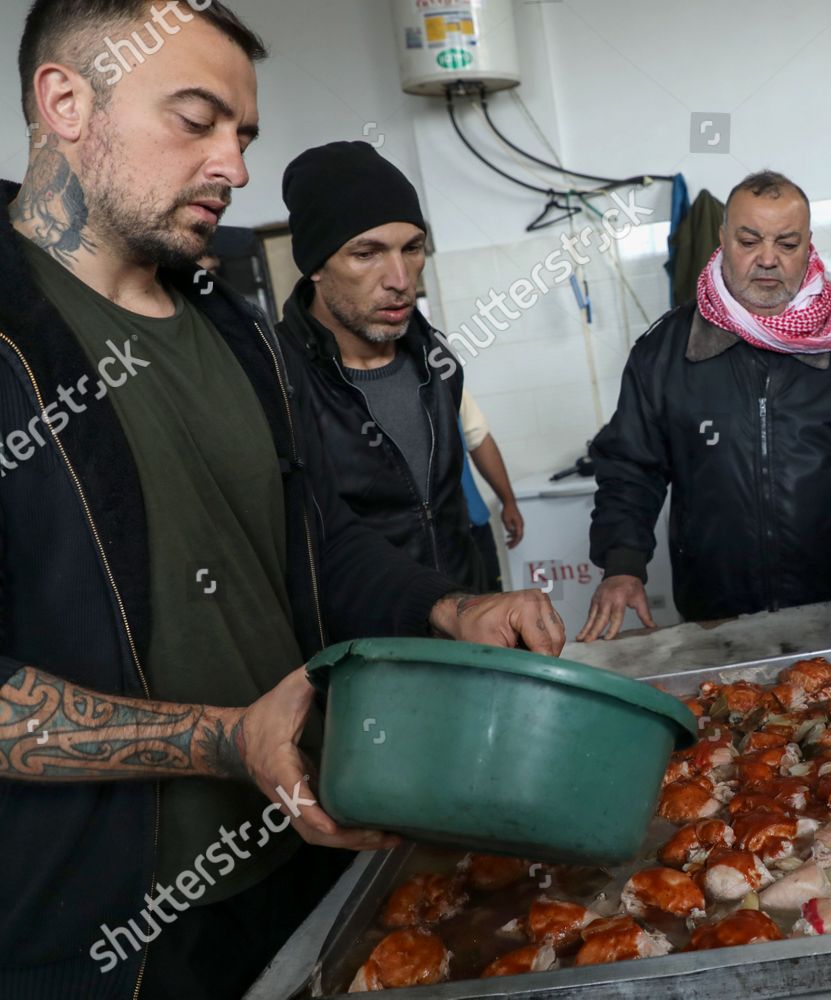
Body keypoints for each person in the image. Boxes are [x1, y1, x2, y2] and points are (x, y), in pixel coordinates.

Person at [1, 3, 563, 996]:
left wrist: (451, 605)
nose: (236, 167)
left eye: (245, 134)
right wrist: (218, 737)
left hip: (317, 863)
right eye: (196, 120)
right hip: (113, 932)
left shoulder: (241, 330)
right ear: (64, 102)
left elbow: (319, 542)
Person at [579, 170, 831, 640]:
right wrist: (622, 566)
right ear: (722, 239)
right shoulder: (664, 352)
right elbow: (629, 467)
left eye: (786, 243)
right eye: (749, 241)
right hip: (715, 619)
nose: (767, 259)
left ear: (808, 245)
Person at [277, 141, 486, 591]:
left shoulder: (437, 362)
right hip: (362, 650)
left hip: (465, 629)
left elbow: (446, 513)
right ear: (315, 264)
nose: (399, 279)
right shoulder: (276, 379)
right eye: (366, 253)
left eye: (412, 249)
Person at [459, 388, 524, 590]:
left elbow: (477, 438)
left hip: (473, 525)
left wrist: (508, 501)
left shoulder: (440, 373)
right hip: (413, 542)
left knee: (491, 608)